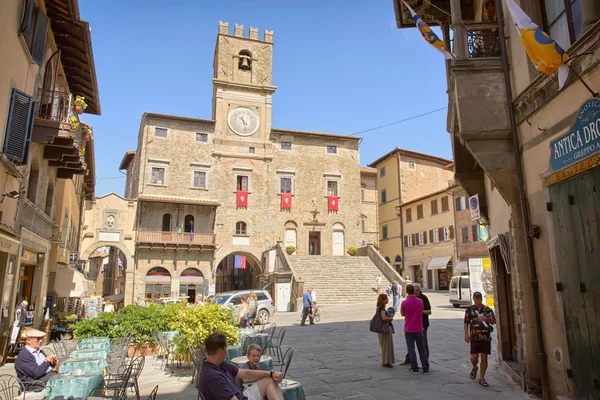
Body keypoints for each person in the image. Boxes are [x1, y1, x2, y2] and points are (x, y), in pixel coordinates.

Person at [198, 333, 284, 400]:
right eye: (226, 348)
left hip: (242, 396)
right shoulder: (213, 376)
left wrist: (271, 374)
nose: (226, 351)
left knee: (270, 379)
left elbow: (244, 373)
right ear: (220, 351)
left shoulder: (218, 363)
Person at [464, 291, 496, 387]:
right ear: (473, 299)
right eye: (476, 298)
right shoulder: (469, 310)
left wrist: (486, 319)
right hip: (474, 336)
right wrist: (466, 335)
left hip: (486, 337)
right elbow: (466, 323)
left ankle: (482, 378)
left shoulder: (487, 310)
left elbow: (494, 321)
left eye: (479, 298)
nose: (478, 300)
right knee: (474, 357)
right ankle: (474, 367)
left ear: (481, 299)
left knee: (484, 357)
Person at [401, 284, 429, 374]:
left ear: (406, 291)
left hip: (409, 328)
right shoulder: (420, 301)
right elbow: (421, 311)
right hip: (419, 328)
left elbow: (402, 314)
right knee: (421, 348)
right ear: (414, 291)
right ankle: (425, 368)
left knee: (411, 349)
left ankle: (414, 368)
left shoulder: (404, 303)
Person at [375, 294, 395, 368]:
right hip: (384, 328)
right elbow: (384, 318)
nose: (388, 300)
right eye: (386, 299)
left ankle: (385, 361)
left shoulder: (378, 307)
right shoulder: (382, 308)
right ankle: (386, 361)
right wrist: (390, 318)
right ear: (383, 300)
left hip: (380, 328)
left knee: (384, 345)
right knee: (387, 345)